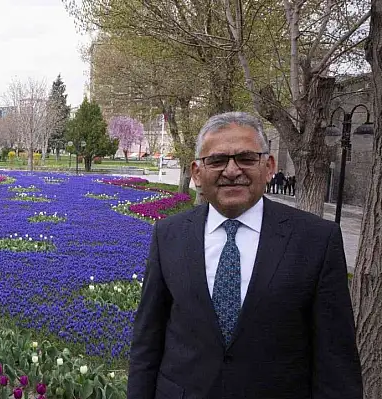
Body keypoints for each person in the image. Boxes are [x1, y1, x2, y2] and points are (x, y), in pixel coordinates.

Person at [127, 112, 361, 399]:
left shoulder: (316, 240)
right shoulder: (169, 235)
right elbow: (146, 343)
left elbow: (336, 362)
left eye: (247, 158)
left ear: (268, 166)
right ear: (197, 173)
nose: (232, 170)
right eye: (217, 160)